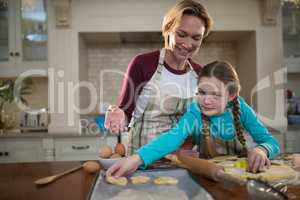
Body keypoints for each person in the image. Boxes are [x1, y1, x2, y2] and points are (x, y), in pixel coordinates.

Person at [106, 61, 280, 177]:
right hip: (208, 177)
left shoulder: (242, 109)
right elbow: (171, 138)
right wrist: (136, 159)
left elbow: (271, 142)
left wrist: (261, 150)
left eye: (216, 95)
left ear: (232, 96)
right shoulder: (195, 111)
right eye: (202, 92)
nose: (206, 100)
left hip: (241, 177)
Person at [104, 0, 213, 155]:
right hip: (141, 163)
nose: (188, 44)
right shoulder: (143, 64)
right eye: (181, 34)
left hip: (185, 163)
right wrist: (116, 113)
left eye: (196, 38)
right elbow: (125, 112)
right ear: (168, 29)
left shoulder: (200, 73)